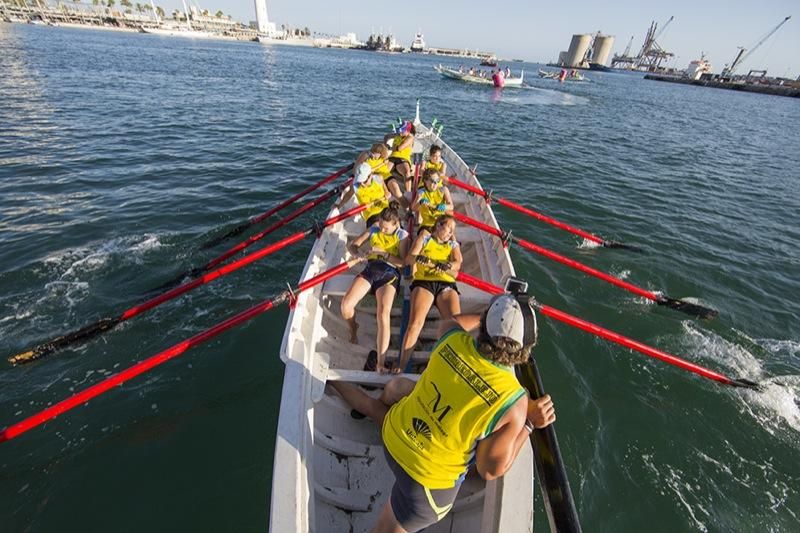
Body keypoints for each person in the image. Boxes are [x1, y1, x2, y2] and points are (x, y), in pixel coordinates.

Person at [330, 289, 556, 532]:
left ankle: (331, 380)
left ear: (483, 325)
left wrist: (490, 316)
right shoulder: (514, 401)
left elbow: (454, 321)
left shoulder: (451, 337)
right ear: (525, 348)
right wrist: (529, 423)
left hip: (393, 438)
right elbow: (489, 469)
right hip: (425, 486)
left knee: (386, 403)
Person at [342, 203, 409, 373]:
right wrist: (358, 254)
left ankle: (380, 362)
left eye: (386, 228)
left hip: (390, 272)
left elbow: (403, 263)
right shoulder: (374, 229)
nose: (382, 230)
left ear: (396, 225)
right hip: (371, 269)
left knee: (383, 314)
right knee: (346, 306)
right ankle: (353, 328)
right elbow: (352, 245)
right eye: (381, 226)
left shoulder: (402, 236)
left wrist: (385, 253)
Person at [397, 215, 461, 373]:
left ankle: (450, 368)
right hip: (424, 282)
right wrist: (419, 258)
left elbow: (458, 263)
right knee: (415, 324)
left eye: (452, 230)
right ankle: (401, 365)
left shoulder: (453, 244)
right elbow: (409, 259)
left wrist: (448, 264)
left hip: (446, 283)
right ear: (438, 226)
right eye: (447, 229)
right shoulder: (424, 239)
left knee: (456, 327)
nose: (449, 233)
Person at [337, 162, 390, 227]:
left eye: (364, 181)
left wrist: (386, 191)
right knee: (379, 227)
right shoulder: (355, 186)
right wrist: (339, 205)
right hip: (372, 215)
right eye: (360, 181)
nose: (362, 184)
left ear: (370, 175)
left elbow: (384, 185)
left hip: (385, 209)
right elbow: (348, 195)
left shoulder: (379, 178)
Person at [355, 142, 407, 207]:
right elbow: (366, 170)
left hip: (386, 176)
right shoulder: (367, 159)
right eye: (372, 152)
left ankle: (408, 210)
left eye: (376, 153)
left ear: (381, 154)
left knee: (397, 192)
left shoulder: (384, 157)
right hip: (375, 179)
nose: (373, 155)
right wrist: (381, 165)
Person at [411, 168, 453, 236]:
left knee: (452, 239)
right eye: (433, 181)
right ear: (425, 181)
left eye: (437, 180)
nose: (436, 183)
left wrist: (444, 206)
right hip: (427, 224)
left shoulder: (444, 190)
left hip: (441, 223)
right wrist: (420, 202)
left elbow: (451, 206)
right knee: (420, 240)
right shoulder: (421, 193)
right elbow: (413, 208)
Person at [384, 121, 416, 193]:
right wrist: (386, 144)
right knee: (383, 171)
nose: (400, 132)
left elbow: (400, 148)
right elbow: (386, 136)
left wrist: (390, 148)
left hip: (403, 159)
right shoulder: (398, 134)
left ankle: (408, 192)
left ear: (408, 130)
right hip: (392, 157)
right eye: (400, 130)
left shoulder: (410, 137)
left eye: (402, 131)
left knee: (407, 172)